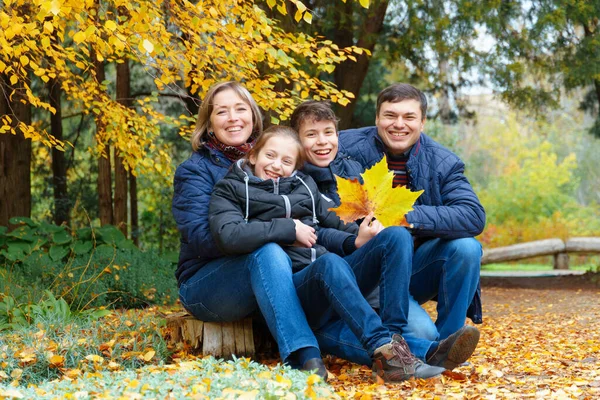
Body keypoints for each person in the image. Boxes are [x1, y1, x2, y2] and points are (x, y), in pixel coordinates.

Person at [208, 125, 445, 382]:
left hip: (329, 283)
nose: (277, 165)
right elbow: (228, 235)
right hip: (290, 289)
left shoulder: (305, 187)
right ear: (253, 156)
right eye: (270, 156)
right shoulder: (231, 189)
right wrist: (288, 228)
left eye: (287, 161)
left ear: (296, 166)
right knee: (329, 262)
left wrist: (357, 237)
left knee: (396, 236)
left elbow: (332, 224)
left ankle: (394, 344)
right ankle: (393, 350)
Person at [290, 98, 484, 370]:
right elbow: (313, 231)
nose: (322, 141)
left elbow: (474, 216)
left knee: (438, 242)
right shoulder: (290, 177)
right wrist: (354, 240)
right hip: (325, 280)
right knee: (421, 334)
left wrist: (400, 218)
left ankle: (409, 339)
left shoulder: (350, 167)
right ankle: (415, 347)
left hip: (375, 270)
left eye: (328, 133)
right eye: (311, 135)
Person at [172, 81, 329, 379]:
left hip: (273, 276)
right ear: (208, 123)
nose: (233, 118)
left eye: (240, 109)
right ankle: (303, 360)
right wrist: (280, 230)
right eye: (222, 112)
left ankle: (390, 352)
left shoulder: (275, 160)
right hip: (207, 284)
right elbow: (204, 240)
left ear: (254, 116)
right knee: (268, 252)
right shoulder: (194, 172)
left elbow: (313, 218)